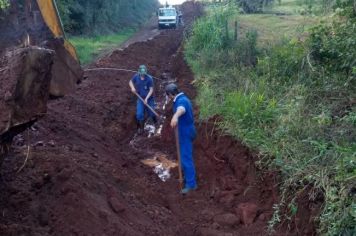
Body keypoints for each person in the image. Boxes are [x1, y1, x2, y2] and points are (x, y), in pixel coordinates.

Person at [165, 83, 197, 194]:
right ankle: (185, 174)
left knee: (186, 157)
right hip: (186, 130)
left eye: (168, 95)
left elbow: (181, 109)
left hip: (186, 132)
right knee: (184, 156)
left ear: (171, 94)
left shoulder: (181, 101)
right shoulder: (182, 97)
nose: (168, 98)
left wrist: (175, 116)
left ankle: (191, 185)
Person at [129, 65, 156, 134]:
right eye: (142, 74)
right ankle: (141, 128)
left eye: (144, 74)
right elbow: (130, 82)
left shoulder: (149, 79)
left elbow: (151, 90)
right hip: (140, 98)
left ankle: (155, 122)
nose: (143, 75)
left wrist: (146, 99)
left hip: (149, 98)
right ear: (139, 72)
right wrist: (132, 88)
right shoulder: (136, 76)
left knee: (151, 113)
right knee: (139, 114)